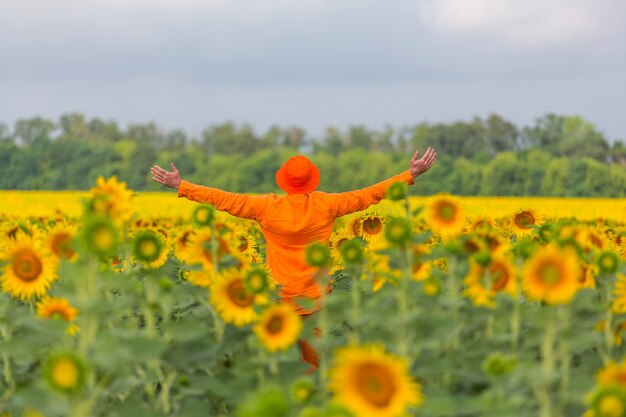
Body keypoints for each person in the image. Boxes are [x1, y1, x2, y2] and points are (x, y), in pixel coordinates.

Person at [150, 148, 437, 372]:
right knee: (316, 365)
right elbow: (368, 195)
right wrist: (409, 174)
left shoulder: (266, 208)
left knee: (275, 367)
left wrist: (182, 185)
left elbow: (224, 199)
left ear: (285, 181)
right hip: (316, 300)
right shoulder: (326, 205)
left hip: (279, 300)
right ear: (312, 179)